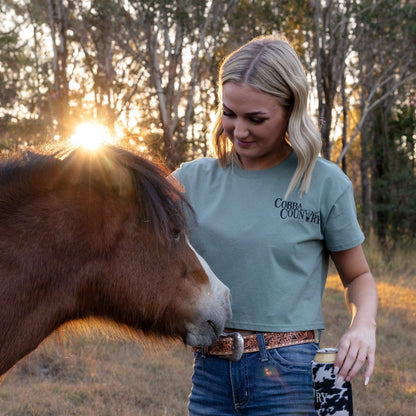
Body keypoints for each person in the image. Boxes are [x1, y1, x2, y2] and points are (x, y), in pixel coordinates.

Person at [172, 34, 378, 416]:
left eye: (256, 119)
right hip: (210, 372)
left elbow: (358, 276)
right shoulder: (190, 180)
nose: (239, 130)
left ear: (290, 111)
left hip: (290, 375)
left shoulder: (325, 184)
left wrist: (363, 325)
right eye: (229, 112)